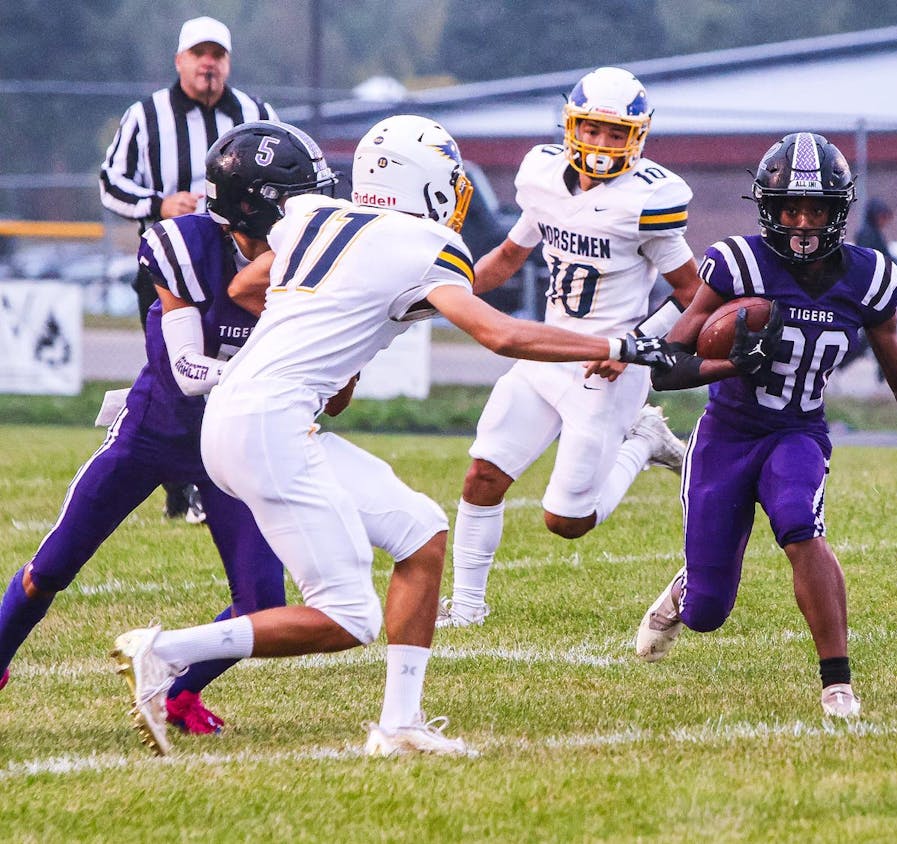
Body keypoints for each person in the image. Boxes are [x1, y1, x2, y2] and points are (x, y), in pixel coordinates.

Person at [108, 115, 675, 757]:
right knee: (348, 617)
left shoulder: (314, 216)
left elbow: (244, 285)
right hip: (268, 423)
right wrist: (618, 344)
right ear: (426, 180)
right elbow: (500, 334)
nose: (456, 191)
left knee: (421, 532)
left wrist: (330, 333)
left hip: (250, 414)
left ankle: (401, 723)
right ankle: (165, 651)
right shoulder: (425, 244)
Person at [0, 122, 331, 729]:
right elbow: (187, 370)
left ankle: (176, 692)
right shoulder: (185, 246)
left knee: (262, 603)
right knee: (51, 568)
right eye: (297, 198)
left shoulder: (308, 261)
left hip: (230, 447)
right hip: (152, 433)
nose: (313, 210)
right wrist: (273, 381)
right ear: (254, 205)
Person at [633, 132, 897, 717]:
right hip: (727, 435)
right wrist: (732, 363)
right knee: (708, 611)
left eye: (817, 209)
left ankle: (837, 683)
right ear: (769, 208)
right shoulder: (737, 263)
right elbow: (667, 365)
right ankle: (689, 586)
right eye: (791, 209)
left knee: (800, 523)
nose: (804, 222)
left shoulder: (868, 277)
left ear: (840, 211)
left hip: (798, 431)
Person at [437, 67, 700, 628]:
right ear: (570, 126)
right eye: (592, 129)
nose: (601, 143)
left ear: (637, 136)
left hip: (607, 368)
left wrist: (634, 346)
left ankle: (644, 442)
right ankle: (467, 607)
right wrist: (445, 291)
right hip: (547, 352)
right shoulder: (544, 179)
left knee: (567, 521)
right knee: (483, 474)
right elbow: (508, 257)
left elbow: (693, 293)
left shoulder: (646, 200)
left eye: (615, 132)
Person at [99, 15, 276, 523]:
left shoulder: (256, 114)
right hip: (169, 267)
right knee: (173, 370)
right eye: (199, 54)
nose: (208, 64)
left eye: (217, 55)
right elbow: (110, 182)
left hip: (239, 265)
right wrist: (158, 204)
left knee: (234, 361)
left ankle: (225, 476)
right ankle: (180, 488)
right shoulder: (146, 115)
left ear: (228, 63)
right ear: (180, 61)